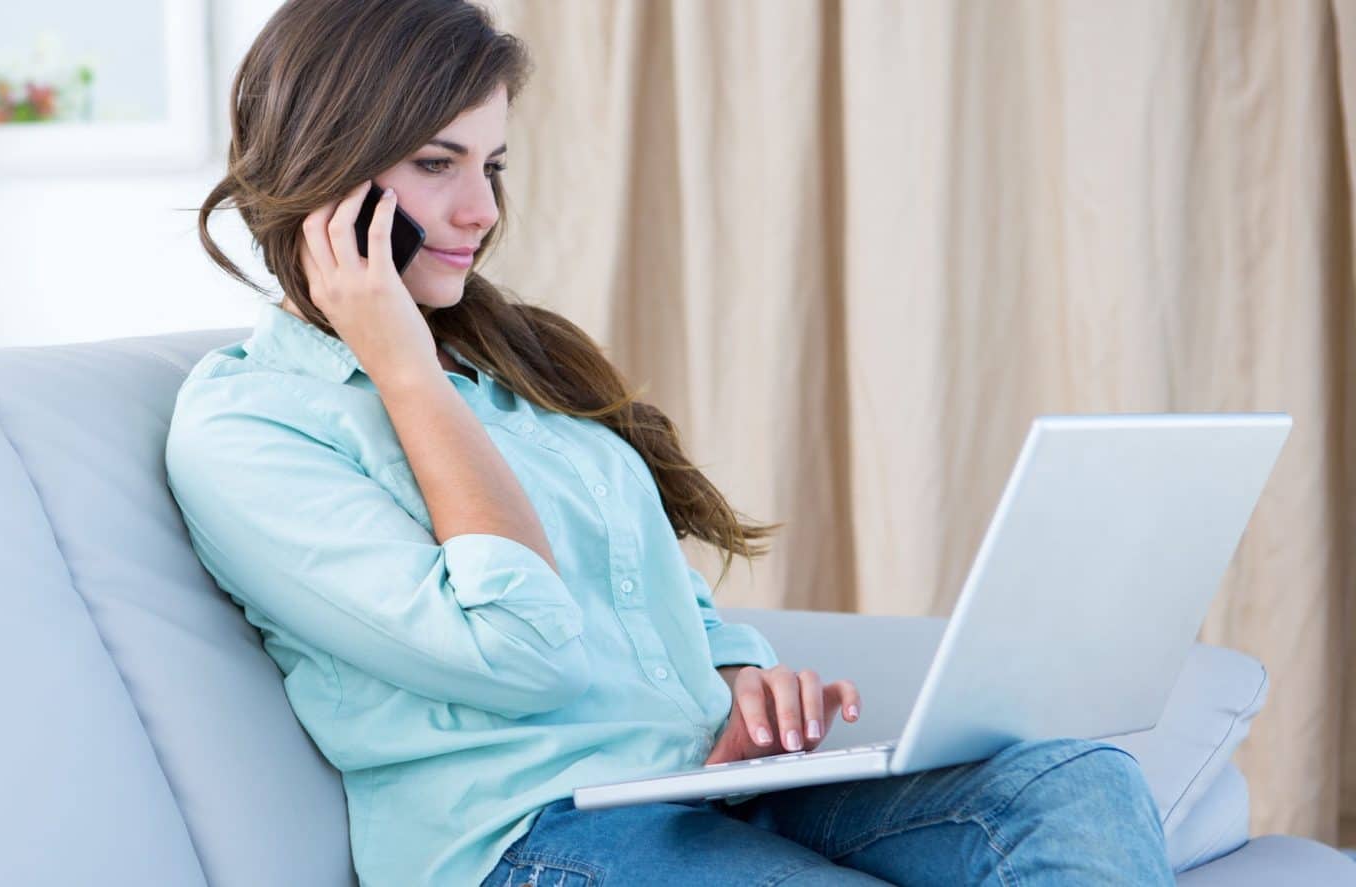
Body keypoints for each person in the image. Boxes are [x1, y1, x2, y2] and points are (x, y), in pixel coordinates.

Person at [165, 1, 1177, 884]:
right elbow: (521, 649)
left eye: (492, 164)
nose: (481, 211)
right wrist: (402, 370)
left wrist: (740, 678)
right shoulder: (252, 428)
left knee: (1076, 784)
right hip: (527, 838)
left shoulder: (506, 362)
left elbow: (660, 595)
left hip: (700, 781)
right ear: (327, 173)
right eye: (438, 164)